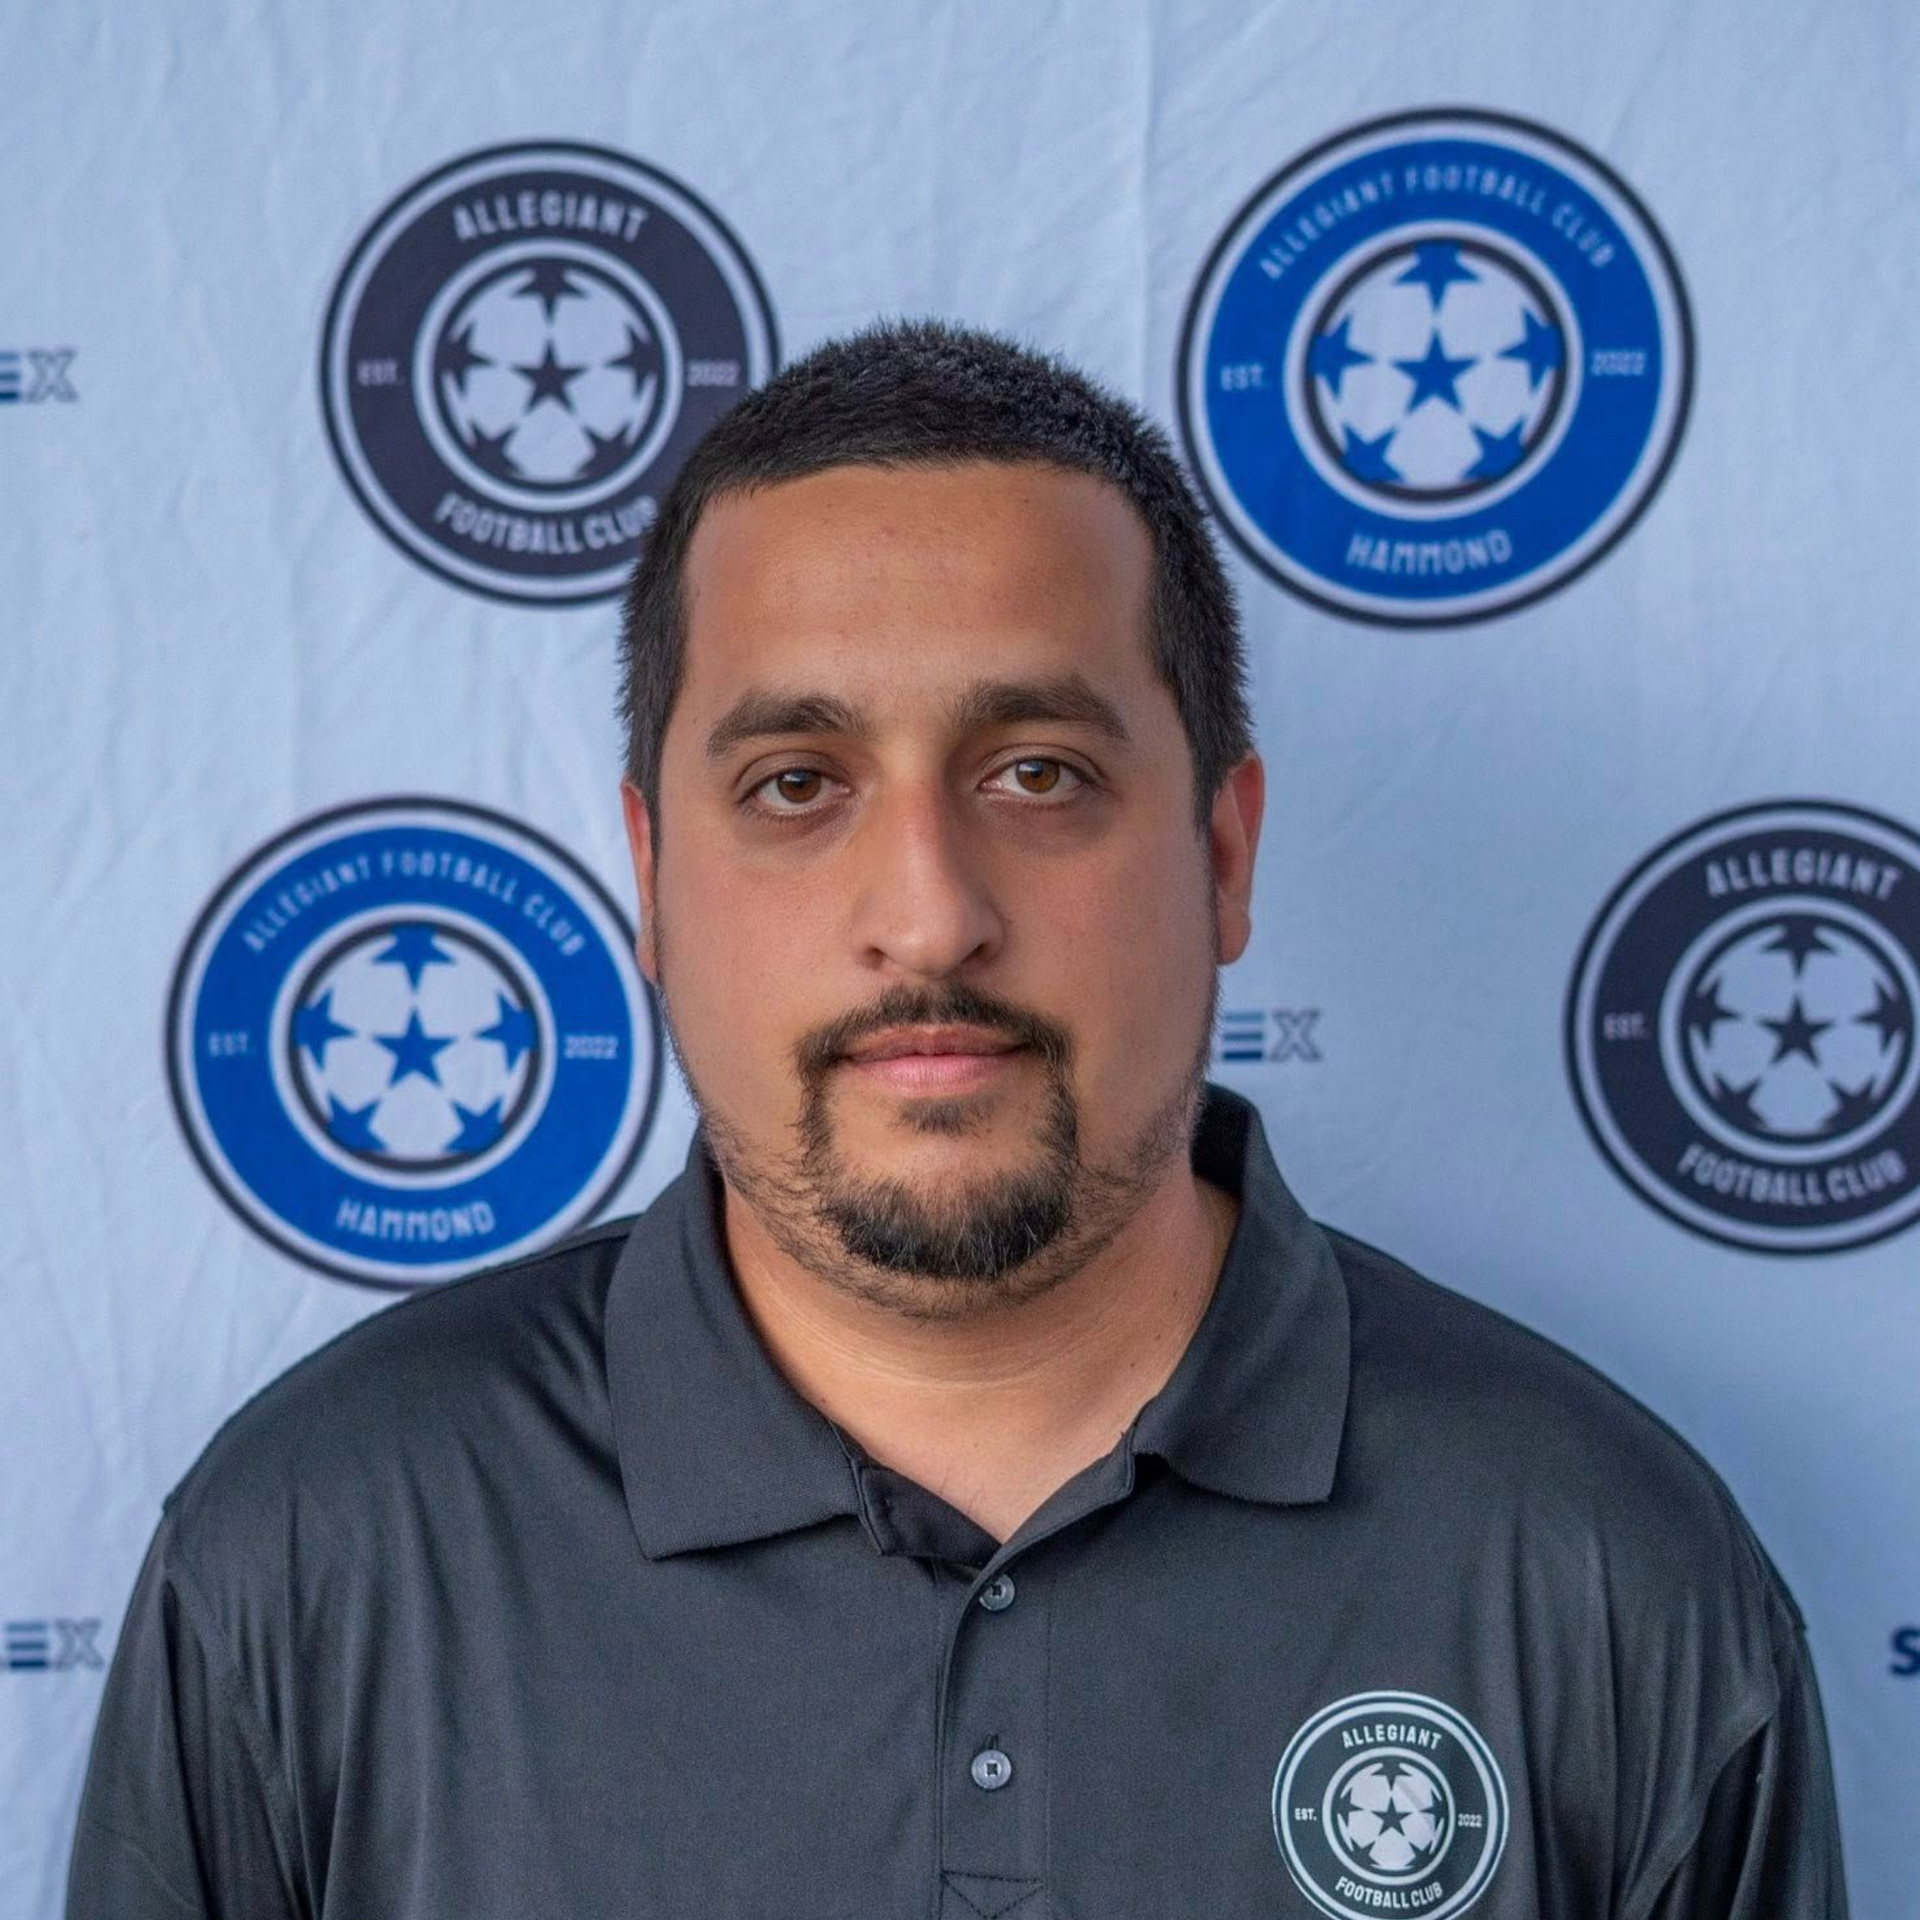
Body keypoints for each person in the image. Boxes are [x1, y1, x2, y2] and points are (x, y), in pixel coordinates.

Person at [68, 322, 1847, 1919]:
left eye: (1037, 774)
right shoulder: (313, 1556)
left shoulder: (1607, 1571)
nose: (927, 913)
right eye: (794, 786)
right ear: (653, 882)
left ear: (1222, 855)